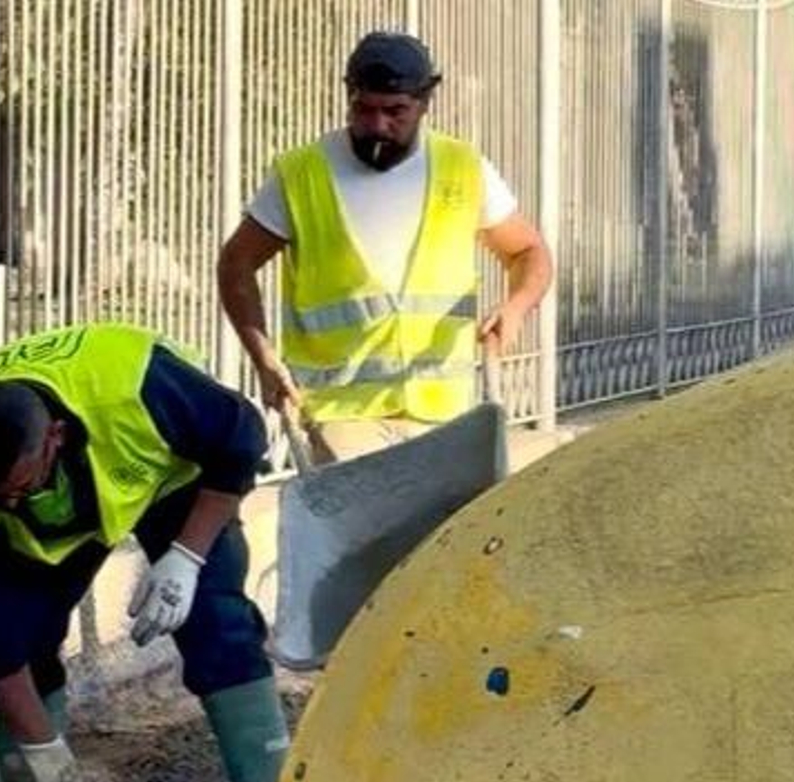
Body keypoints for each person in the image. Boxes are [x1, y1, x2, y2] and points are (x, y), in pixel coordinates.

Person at [0, 322, 287, 782]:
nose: (8, 501)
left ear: (56, 438)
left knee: (220, 628)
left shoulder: (142, 388)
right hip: (68, 511)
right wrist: (45, 752)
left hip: (171, 471)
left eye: (19, 486)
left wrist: (186, 558)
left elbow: (239, 438)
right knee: (18, 636)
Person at [217, 30, 555, 463]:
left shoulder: (463, 169)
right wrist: (263, 357)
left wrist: (516, 307)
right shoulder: (303, 174)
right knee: (374, 520)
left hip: (443, 410)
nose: (377, 125)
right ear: (349, 95)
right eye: (364, 109)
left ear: (425, 102)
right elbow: (236, 263)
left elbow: (528, 251)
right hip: (343, 414)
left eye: (395, 111)